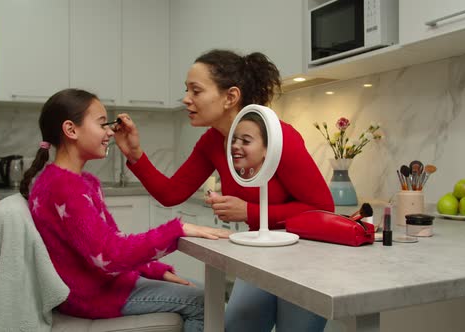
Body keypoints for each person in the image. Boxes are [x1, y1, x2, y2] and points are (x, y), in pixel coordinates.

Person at [114, 49, 334, 331]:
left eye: (196, 90)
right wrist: (135, 154)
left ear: (230, 97)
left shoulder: (279, 136)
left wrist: (249, 211)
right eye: (186, 90)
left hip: (305, 258)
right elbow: (171, 194)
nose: (186, 99)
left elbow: (322, 208)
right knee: (237, 325)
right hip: (260, 254)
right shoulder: (212, 141)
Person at [19, 88, 231, 332]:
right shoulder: (64, 187)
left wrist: (156, 271)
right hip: (93, 296)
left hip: (104, 284)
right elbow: (109, 256)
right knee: (204, 302)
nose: (109, 131)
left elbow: (111, 246)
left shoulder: (79, 182)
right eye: (102, 124)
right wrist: (178, 230)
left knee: (201, 290)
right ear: (71, 130)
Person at [231, 112, 267, 179]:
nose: (234, 145)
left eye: (246, 141)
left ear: (267, 149)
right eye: (233, 140)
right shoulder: (230, 182)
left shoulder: (269, 188)